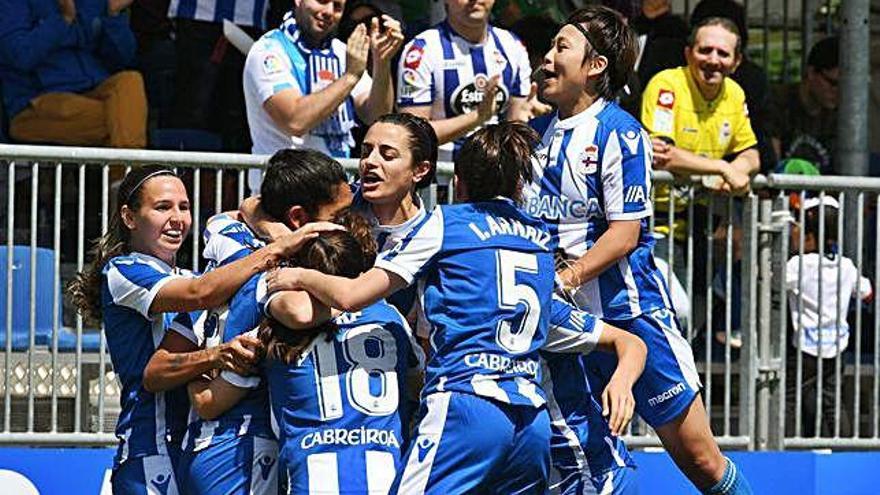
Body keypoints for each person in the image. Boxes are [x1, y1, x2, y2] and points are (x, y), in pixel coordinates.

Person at [266, 122, 646, 493]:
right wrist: (622, 381)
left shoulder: (442, 224)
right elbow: (628, 342)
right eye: (367, 151)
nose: (371, 162)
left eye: (387, 152)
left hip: (465, 404)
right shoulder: (538, 242)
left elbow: (351, 296)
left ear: (456, 181)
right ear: (518, 185)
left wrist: (299, 276)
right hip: (530, 420)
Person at [525, 6, 753, 494]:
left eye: (560, 47)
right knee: (568, 460)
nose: (546, 57)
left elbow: (625, 235)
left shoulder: (620, 131)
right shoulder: (535, 135)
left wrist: (563, 280)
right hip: (561, 326)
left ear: (595, 65)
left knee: (700, 460)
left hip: (630, 316)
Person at [67, 165, 335, 494]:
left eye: (185, 206)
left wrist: (269, 229)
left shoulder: (193, 274)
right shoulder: (124, 270)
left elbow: (246, 208)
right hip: (150, 448)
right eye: (162, 207)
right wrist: (278, 248)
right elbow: (198, 295)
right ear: (129, 217)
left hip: (191, 444)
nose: (178, 219)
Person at [176, 149, 353, 494]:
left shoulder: (230, 238)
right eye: (340, 216)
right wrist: (355, 299)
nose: (347, 224)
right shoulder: (277, 286)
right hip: (240, 451)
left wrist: (275, 232)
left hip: (211, 446)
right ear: (300, 218)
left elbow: (244, 207)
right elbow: (209, 402)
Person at [260, 209, 425, 493]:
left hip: (312, 478)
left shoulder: (280, 315)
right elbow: (417, 386)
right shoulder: (388, 317)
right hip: (385, 479)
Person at [243, 0, 404, 194]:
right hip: (283, 196)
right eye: (321, 1)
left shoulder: (340, 51)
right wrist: (350, 77)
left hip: (334, 195)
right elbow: (295, 120)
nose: (328, 12)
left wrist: (382, 62)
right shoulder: (268, 50)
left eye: (337, 6)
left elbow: (378, 115)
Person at [396, 0, 535, 162]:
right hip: (441, 179)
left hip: (496, 178)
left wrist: (530, 113)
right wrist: (477, 117)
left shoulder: (513, 46)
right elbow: (412, 135)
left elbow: (516, 121)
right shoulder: (421, 50)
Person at [0, 0, 147, 148]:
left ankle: (128, 169)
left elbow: (123, 59)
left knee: (130, 80)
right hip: (37, 102)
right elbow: (20, 56)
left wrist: (113, 15)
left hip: (93, 91)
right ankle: (133, 168)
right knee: (127, 121)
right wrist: (63, 19)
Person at [785, 196, 872, 438]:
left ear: (809, 233)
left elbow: (773, 283)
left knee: (791, 399)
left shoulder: (798, 264)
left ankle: (784, 449)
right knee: (833, 402)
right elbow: (866, 292)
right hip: (836, 345)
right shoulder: (845, 265)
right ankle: (842, 449)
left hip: (805, 347)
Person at [166, 0, 270, 151]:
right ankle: (188, 167)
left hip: (248, 20)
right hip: (196, 18)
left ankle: (232, 167)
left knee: (238, 104)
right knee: (194, 102)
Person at [767, 36, 840, 174]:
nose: (839, 92)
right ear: (811, 73)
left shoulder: (842, 115)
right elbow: (772, 166)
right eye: (833, 83)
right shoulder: (779, 103)